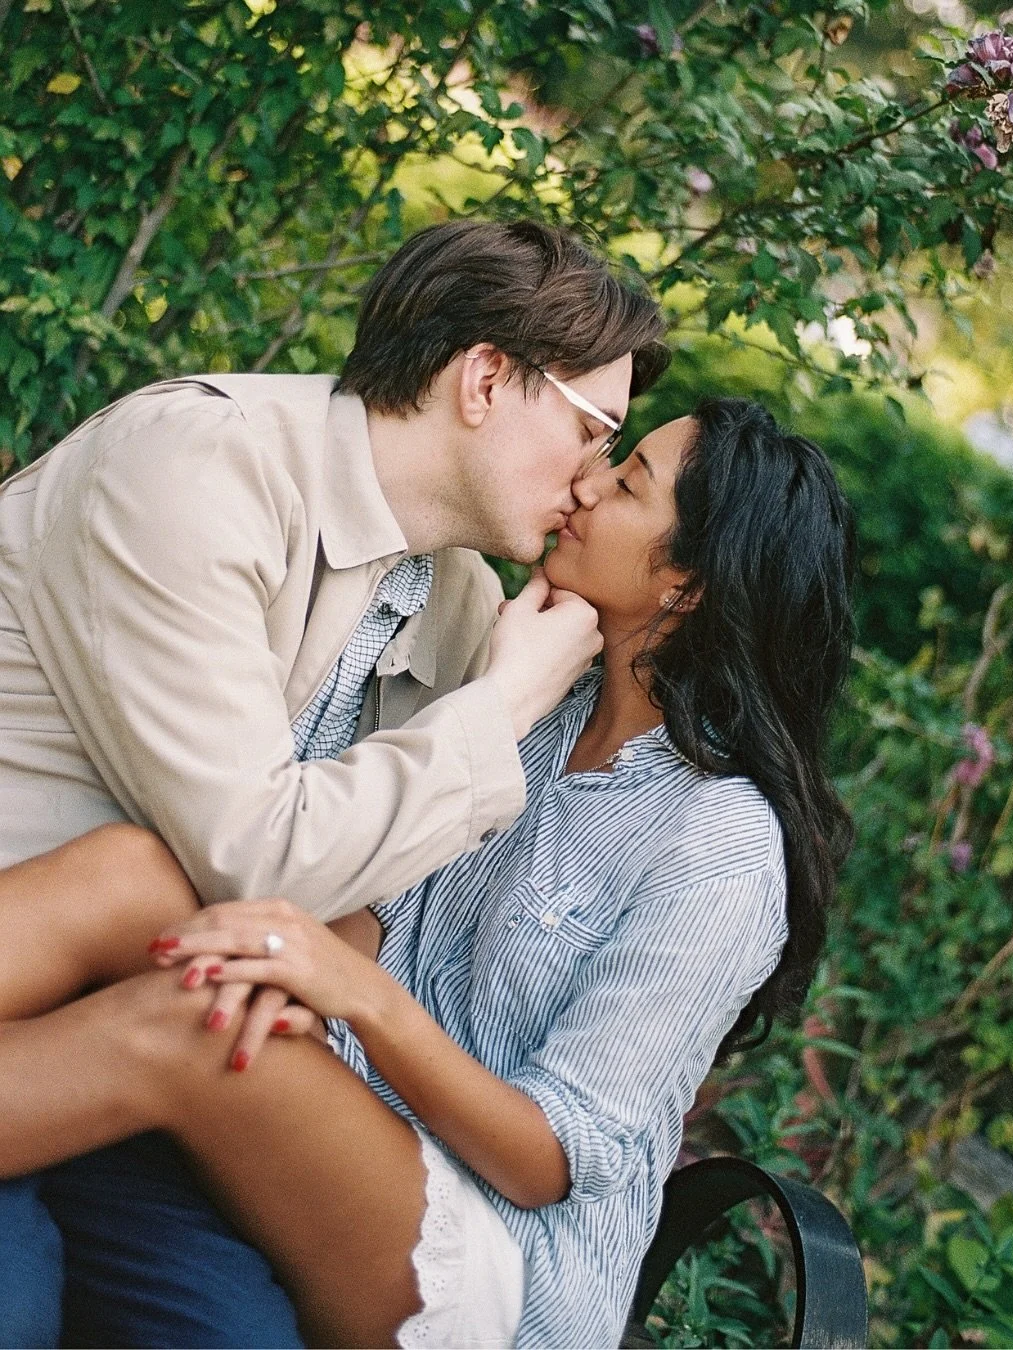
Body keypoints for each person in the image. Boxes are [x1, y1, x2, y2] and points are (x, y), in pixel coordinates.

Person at [0, 397, 855, 1348]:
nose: (585, 483)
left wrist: (347, 987)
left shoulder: (722, 841)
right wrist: (290, 948)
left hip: (493, 1255)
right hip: (350, 1114)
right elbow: (386, 920)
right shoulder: (543, 711)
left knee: (195, 1018)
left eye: (627, 482)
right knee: (142, 881)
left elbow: (551, 1159)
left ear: (687, 585)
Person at [0, 218, 668, 1344]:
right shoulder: (198, 464)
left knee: (226, 1333)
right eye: (595, 429)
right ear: (488, 378)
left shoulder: (454, 598)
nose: (591, 480)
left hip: (178, 1041)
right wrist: (503, 708)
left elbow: (359, 913)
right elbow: (257, 859)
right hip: (28, 970)